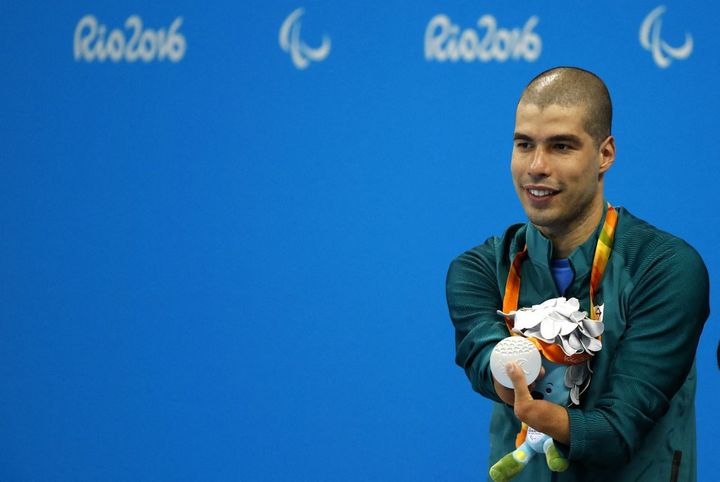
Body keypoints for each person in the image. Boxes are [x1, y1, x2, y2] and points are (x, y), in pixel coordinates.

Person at [445, 67, 709, 482]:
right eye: (524, 144)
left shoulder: (666, 268)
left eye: (561, 146)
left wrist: (541, 413)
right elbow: (484, 359)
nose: (536, 166)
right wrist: (506, 374)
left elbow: (619, 431)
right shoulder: (478, 269)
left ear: (605, 154)